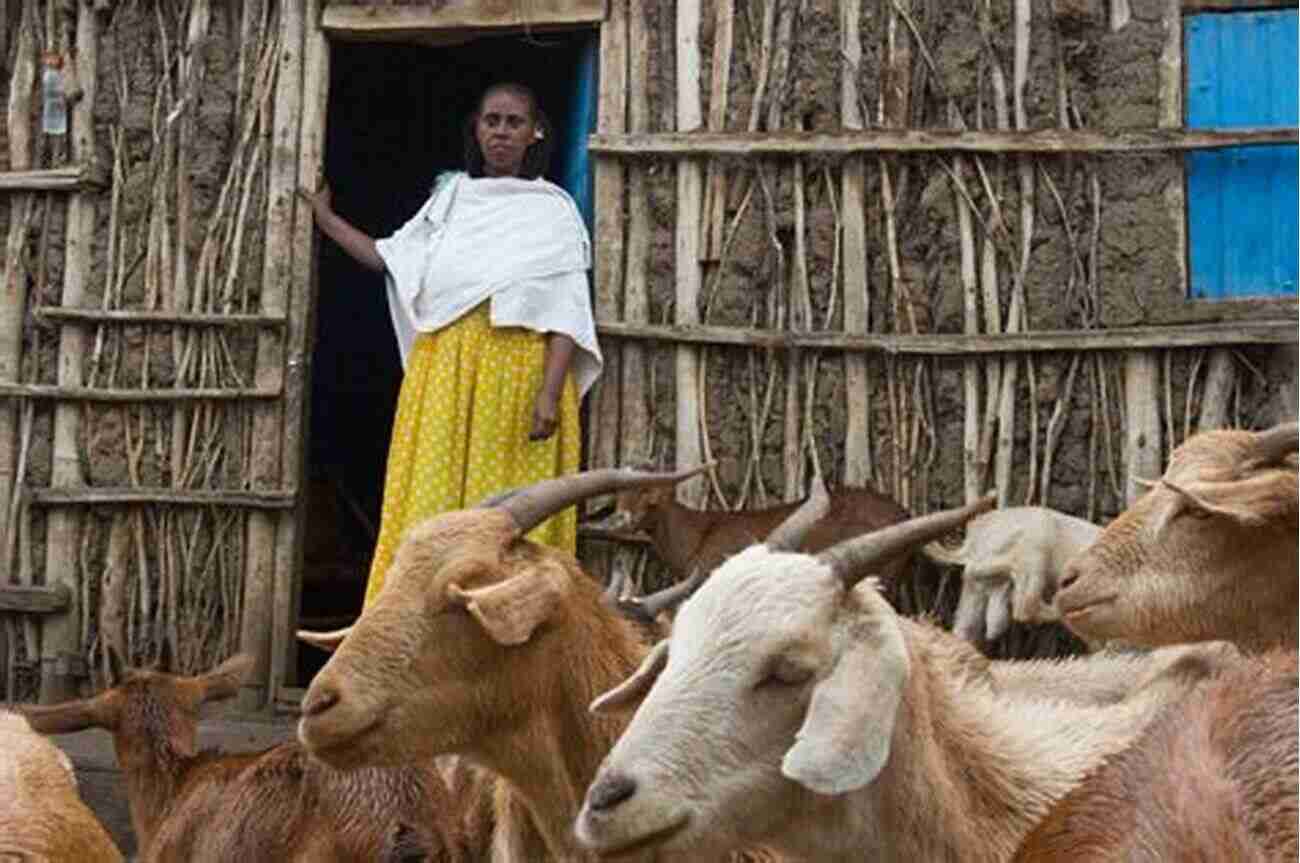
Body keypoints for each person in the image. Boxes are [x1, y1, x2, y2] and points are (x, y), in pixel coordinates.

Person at [299, 82, 601, 608]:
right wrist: (327, 222)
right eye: (492, 120)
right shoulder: (450, 201)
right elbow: (389, 259)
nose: (502, 131)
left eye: (514, 121)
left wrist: (550, 394)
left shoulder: (553, 212)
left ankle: (508, 640)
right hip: (445, 373)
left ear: (537, 133)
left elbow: (567, 310)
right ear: (477, 129)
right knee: (432, 507)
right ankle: (417, 634)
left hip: (518, 378)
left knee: (509, 518)